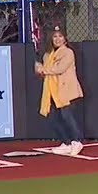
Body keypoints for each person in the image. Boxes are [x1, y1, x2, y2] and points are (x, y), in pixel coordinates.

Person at [36, 27, 85, 156]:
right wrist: (39, 69)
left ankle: (77, 141)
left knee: (67, 116)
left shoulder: (68, 53)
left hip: (65, 90)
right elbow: (45, 73)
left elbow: (60, 69)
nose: (57, 39)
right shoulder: (48, 55)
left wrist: (43, 69)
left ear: (65, 39)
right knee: (54, 119)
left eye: (60, 36)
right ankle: (66, 143)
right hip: (52, 91)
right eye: (55, 36)